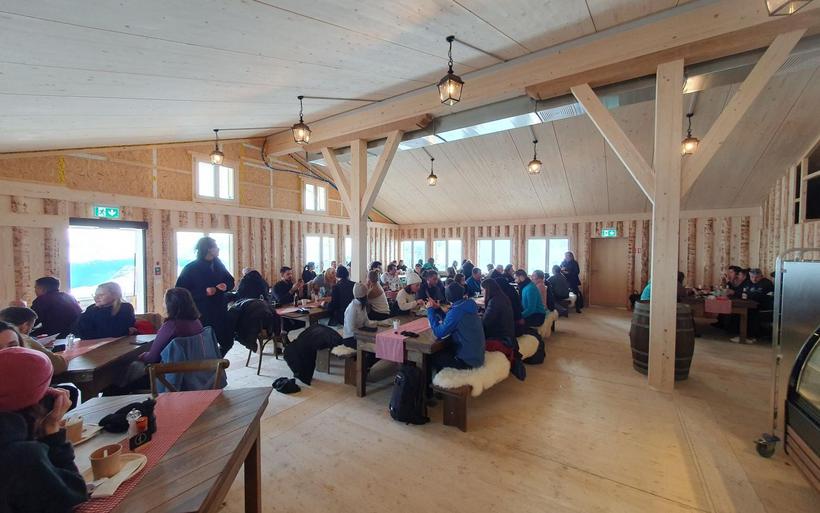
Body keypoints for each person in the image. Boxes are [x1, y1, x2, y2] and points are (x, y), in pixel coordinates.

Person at [0, 347, 88, 513]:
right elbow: (72, 496)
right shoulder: (22, 456)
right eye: (48, 388)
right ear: (37, 403)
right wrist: (52, 429)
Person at [175, 237, 235, 356]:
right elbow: (180, 292)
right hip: (202, 314)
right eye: (215, 247)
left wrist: (226, 286)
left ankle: (216, 364)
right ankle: (211, 369)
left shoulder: (218, 264)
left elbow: (230, 281)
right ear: (208, 249)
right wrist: (204, 292)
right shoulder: (191, 268)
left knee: (228, 342)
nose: (218, 249)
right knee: (204, 346)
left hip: (220, 311)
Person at [426, 282, 485, 373]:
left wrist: (430, 310)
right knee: (445, 348)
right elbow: (450, 320)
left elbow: (439, 333)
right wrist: (437, 308)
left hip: (468, 361)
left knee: (431, 357)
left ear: (447, 296)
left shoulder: (456, 311)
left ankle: (431, 386)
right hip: (478, 355)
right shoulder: (469, 304)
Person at [138, 288, 203, 364]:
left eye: (164, 302)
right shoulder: (197, 322)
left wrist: (143, 356)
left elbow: (152, 358)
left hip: (172, 371)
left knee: (134, 366)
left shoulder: (171, 326)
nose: (163, 305)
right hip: (197, 368)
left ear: (170, 305)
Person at [0, 307, 67, 375]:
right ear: (25, 326)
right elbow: (58, 366)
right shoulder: (27, 340)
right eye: (32, 328)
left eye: (13, 346)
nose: (5, 353)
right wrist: (68, 355)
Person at [735, 268, 774, 342]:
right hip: (748, 305)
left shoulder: (766, 283)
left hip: (762, 307)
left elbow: (758, 296)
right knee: (738, 312)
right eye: (752, 277)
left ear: (761, 276)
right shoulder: (747, 282)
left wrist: (747, 295)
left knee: (750, 313)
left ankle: (751, 336)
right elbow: (738, 292)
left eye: (757, 277)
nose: (754, 279)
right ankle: (740, 333)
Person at [341, 283, 377, 348]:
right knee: (372, 347)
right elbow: (351, 329)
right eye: (366, 296)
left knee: (377, 343)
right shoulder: (352, 308)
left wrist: (375, 325)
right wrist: (365, 332)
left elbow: (366, 322)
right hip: (350, 338)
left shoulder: (361, 305)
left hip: (360, 335)